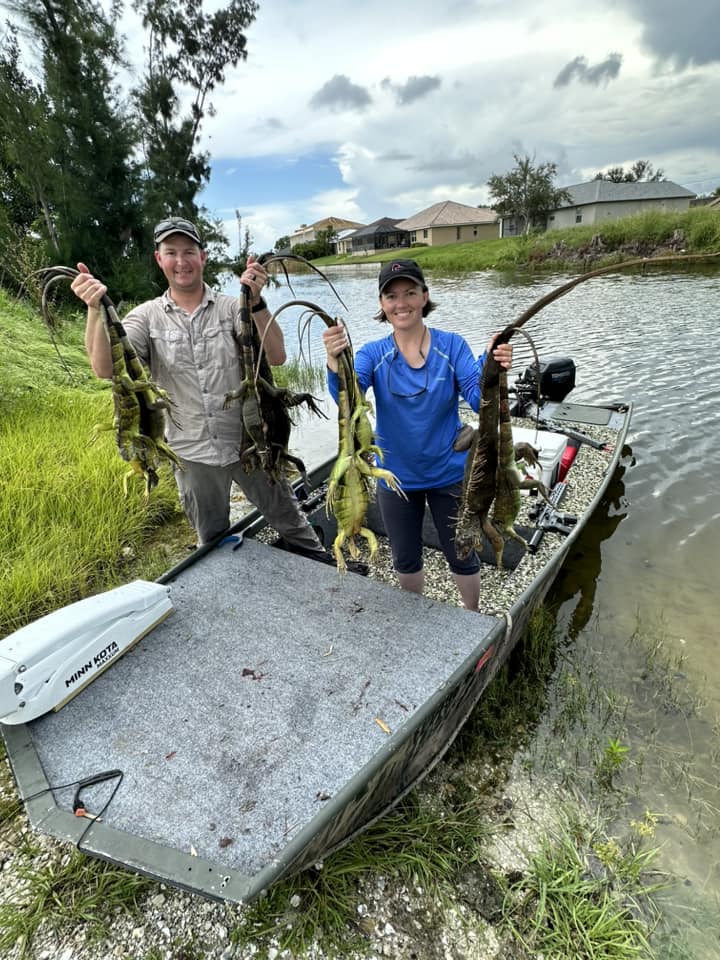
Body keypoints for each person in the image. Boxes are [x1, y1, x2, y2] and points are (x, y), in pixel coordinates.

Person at [70, 216, 326, 557]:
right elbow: (105, 368)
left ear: (202, 257)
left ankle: (323, 566)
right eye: (171, 252)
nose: (181, 261)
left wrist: (256, 302)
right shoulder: (145, 317)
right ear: (158, 259)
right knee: (211, 541)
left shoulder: (232, 308)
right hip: (192, 455)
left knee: (293, 523)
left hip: (251, 446)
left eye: (189, 251)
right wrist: (94, 308)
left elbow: (276, 356)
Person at [322, 258, 513, 610]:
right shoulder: (373, 354)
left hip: (449, 473)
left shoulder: (452, 346)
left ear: (425, 296)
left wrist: (492, 366)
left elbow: (478, 397)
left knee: (462, 552)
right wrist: (336, 365)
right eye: (391, 296)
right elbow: (350, 400)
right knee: (405, 557)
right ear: (382, 304)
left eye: (410, 293)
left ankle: (473, 617)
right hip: (397, 478)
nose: (402, 303)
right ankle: (416, 620)